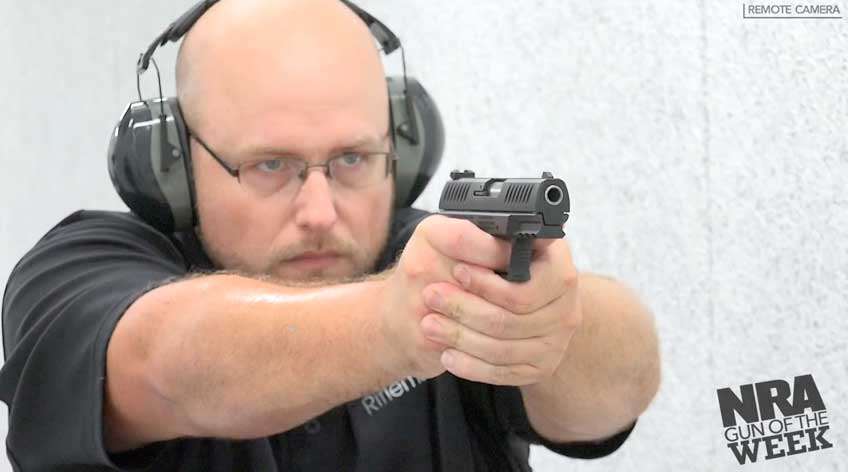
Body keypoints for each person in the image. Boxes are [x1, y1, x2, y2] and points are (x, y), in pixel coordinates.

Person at [0, 0, 660, 470]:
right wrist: (400, 324)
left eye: (351, 160)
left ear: (403, 148)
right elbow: (168, 365)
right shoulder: (77, 273)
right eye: (270, 166)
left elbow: (618, 387)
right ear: (170, 165)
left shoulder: (440, 261)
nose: (320, 211)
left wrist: (550, 322)